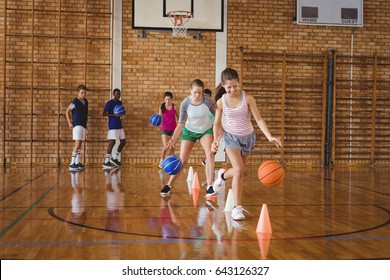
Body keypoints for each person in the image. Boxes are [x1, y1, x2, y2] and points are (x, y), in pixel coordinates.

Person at [211, 68, 282, 221]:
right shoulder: (221, 102)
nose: (233, 90)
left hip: (248, 138)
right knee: (238, 170)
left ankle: (222, 175)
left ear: (239, 83)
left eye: (235, 86)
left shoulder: (248, 98)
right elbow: (216, 123)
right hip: (230, 138)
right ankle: (237, 208)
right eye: (229, 87)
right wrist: (215, 140)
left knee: (239, 172)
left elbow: (259, 119)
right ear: (223, 86)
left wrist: (269, 136)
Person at [160, 79, 216, 197]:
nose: (197, 95)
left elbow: (216, 118)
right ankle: (168, 185)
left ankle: (210, 186)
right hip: (189, 131)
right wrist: (173, 139)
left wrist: (219, 133)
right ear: (190, 90)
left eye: (200, 93)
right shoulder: (185, 103)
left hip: (205, 130)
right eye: (195, 92)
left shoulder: (208, 102)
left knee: (210, 155)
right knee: (182, 161)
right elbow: (180, 123)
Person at [66, 84, 88, 172]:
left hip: (83, 124)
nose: (83, 94)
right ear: (78, 93)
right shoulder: (74, 101)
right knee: (77, 143)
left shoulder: (86, 101)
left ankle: (77, 162)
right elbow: (67, 111)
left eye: (85, 93)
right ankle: (72, 163)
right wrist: (69, 122)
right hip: (77, 124)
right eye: (82, 93)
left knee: (80, 143)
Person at [102, 88, 126, 169]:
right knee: (112, 142)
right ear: (113, 94)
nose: (118, 95)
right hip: (112, 125)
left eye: (119, 94)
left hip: (119, 124)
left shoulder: (120, 102)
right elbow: (104, 113)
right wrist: (113, 115)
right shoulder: (110, 103)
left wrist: (123, 113)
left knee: (123, 141)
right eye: (117, 94)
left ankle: (114, 158)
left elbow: (121, 111)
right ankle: (106, 161)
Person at [158, 91, 178, 168]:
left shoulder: (174, 107)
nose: (167, 101)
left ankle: (170, 162)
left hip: (173, 129)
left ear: (171, 99)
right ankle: (162, 161)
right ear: (164, 99)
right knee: (166, 146)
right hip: (165, 129)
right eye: (166, 99)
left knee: (172, 147)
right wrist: (157, 120)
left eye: (169, 99)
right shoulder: (161, 107)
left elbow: (179, 117)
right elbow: (160, 118)